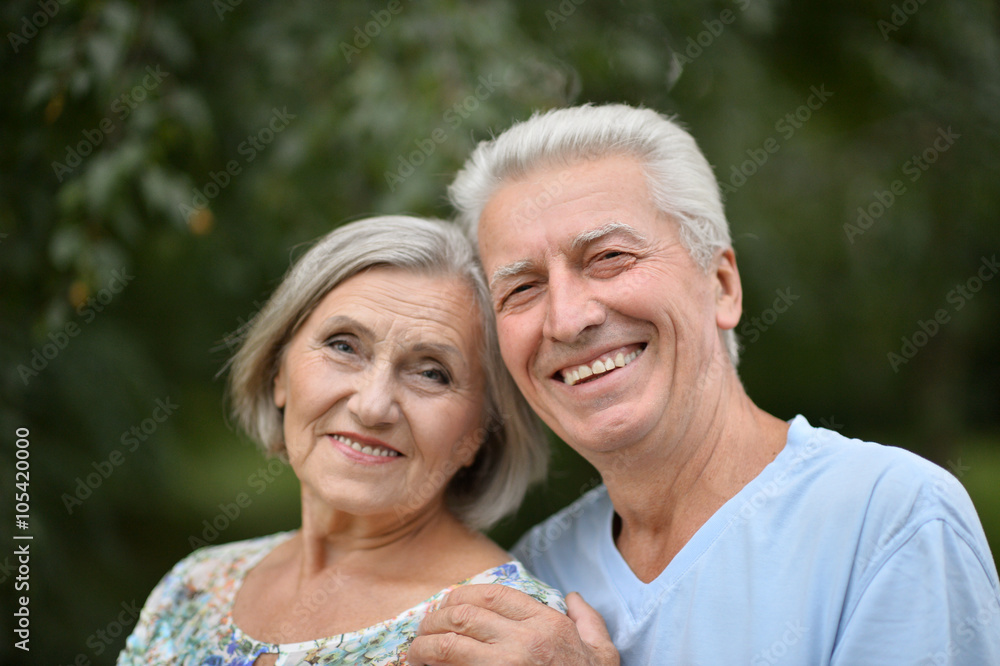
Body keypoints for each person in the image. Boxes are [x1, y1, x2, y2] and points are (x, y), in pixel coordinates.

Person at [408, 104, 1000, 665]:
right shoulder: (533, 575)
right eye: (522, 288)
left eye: (609, 256)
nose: (567, 319)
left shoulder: (890, 519)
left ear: (722, 286)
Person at [117, 215, 564, 665]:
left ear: (478, 434)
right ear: (279, 373)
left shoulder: (509, 633)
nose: (372, 407)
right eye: (344, 346)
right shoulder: (195, 587)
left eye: (431, 372)